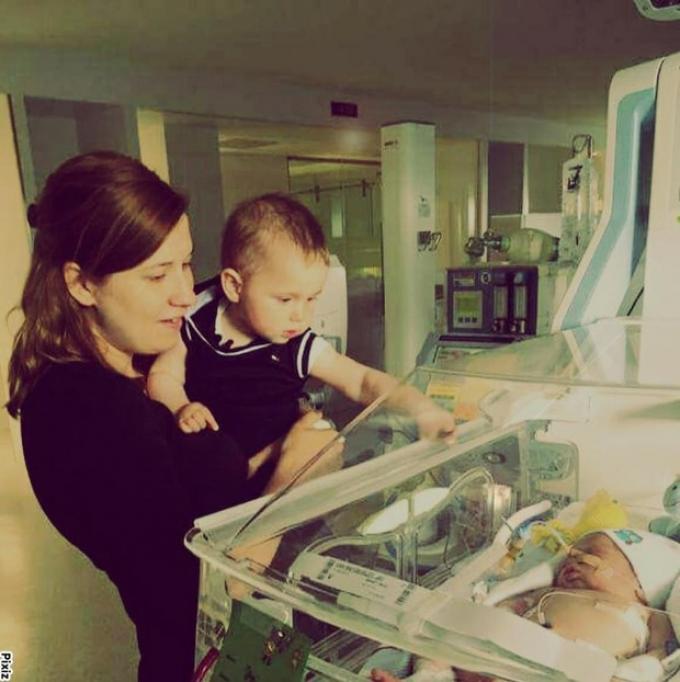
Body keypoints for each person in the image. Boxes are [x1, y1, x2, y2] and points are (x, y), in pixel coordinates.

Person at [5, 152, 340, 682]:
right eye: (158, 274)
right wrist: (294, 481)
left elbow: (199, 502)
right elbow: (196, 597)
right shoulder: (86, 407)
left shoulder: (142, 368)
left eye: (185, 264)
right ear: (82, 284)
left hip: (252, 645)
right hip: (201, 663)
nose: (186, 294)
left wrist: (276, 450)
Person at [147, 192, 455, 456]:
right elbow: (163, 375)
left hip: (280, 473)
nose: (301, 315)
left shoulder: (297, 344)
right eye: (285, 299)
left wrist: (421, 408)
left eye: (311, 298)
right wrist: (180, 407)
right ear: (235, 286)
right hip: (214, 475)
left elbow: (362, 380)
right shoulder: (194, 315)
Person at [367, 529, 680, 682]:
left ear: (640, 582)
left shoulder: (649, 615)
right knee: (436, 647)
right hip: (485, 659)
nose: (571, 561)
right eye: (569, 556)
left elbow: (662, 656)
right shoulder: (547, 591)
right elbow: (504, 605)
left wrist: (631, 674)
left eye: (588, 557)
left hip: (564, 671)